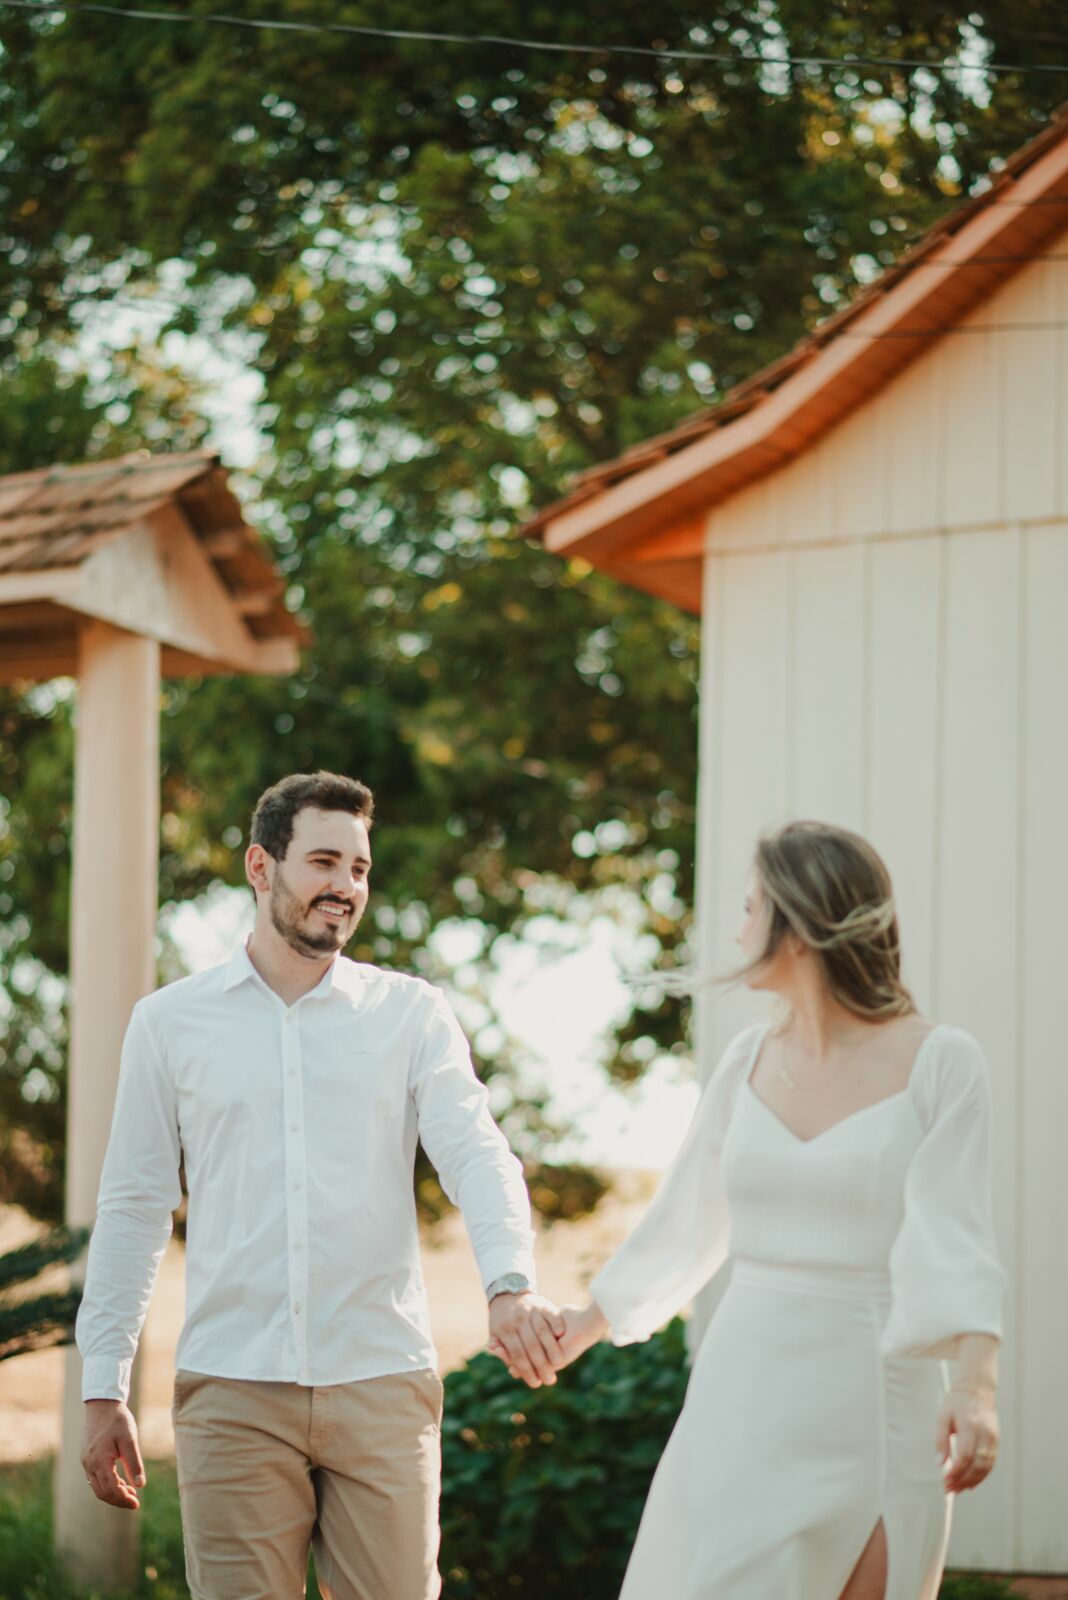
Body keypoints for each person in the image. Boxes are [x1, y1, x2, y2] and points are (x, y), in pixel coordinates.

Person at [77, 770, 564, 1600]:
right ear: (261, 869)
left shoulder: (411, 1015)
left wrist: (509, 1285)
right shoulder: (168, 1023)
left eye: (360, 870)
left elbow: (478, 1155)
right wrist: (103, 1385)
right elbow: (134, 1205)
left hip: (380, 1380)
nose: (345, 887)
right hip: (233, 1387)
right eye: (324, 862)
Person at [544, 821, 1006, 1600]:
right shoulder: (744, 1062)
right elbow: (686, 1217)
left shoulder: (942, 1062)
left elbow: (958, 1237)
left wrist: (976, 1387)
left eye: (752, 908)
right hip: (740, 1398)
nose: (737, 929)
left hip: (874, 1403)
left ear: (798, 929)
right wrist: (585, 1325)